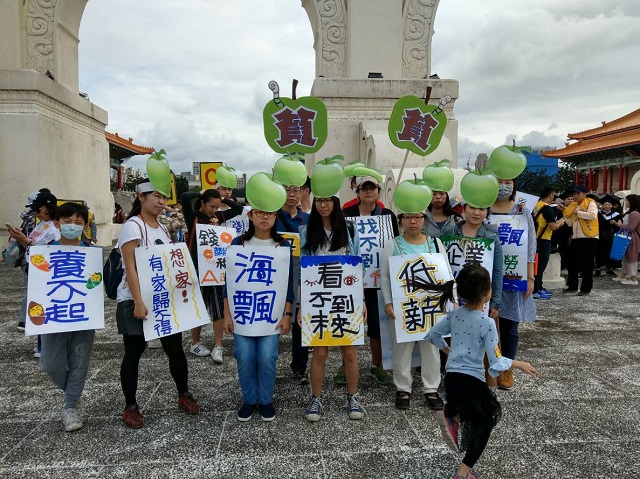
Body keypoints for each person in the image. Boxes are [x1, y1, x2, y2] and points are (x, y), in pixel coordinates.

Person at [424, 264, 537, 479]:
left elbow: (432, 335)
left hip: (452, 379)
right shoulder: (487, 323)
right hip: (472, 382)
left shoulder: (455, 315)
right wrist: (519, 363)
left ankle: (455, 415)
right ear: (486, 293)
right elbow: (495, 361)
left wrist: (449, 351)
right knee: (485, 421)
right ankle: (463, 471)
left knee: (481, 416)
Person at [116, 180, 200, 429]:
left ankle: (183, 393)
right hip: (135, 299)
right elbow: (130, 268)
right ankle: (130, 405)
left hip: (162, 299)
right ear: (141, 196)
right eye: (156, 196)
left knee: (175, 349)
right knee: (133, 353)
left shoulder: (162, 228)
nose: (161, 201)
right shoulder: (133, 227)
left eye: (164, 197)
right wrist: (138, 302)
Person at [222, 207, 294, 421]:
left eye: (269, 213)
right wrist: (227, 314)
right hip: (242, 312)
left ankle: (265, 400)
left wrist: (287, 313)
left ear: (275, 217)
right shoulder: (238, 243)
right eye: (259, 212)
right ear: (250, 216)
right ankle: (248, 400)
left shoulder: (283, 245)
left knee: (267, 356)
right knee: (244, 356)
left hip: (270, 314)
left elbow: (289, 283)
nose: (265, 216)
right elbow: (228, 283)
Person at [299, 196, 366, 421]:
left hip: (346, 298)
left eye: (328, 201)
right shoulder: (306, 231)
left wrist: (361, 300)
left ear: (336, 203)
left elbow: (357, 267)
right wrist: (301, 306)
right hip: (318, 299)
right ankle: (316, 399)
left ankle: (353, 397)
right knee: (319, 353)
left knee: (349, 351)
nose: (323, 205)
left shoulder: (349, 229)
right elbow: (303, 271)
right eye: (319, 201)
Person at [380, 211, 454, 410]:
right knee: (402, 348)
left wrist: (451, 300)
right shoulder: (392, 245)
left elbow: (446, 272)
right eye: (407, 217)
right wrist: (388, 301)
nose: (412, 221)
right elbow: (385, 276)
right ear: (401, 220)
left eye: (417, 217)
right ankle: (403, 388)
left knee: (431, 347)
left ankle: (431, 389)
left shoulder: (435, 243)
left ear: (424, 220)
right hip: (403, 306)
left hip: (431, 305)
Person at [39, 202, 95, 432]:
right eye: (67, 221)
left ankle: (70, 406)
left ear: (85, 226)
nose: (73, 226)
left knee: (79, 363)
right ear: (57, 223)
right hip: (54, 316)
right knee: (51, 364)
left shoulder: (90, 251)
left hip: (82, 316)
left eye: (78, 222)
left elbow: (95, 282)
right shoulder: (44, 251)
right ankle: (73, 393)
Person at [343, 176, 398, 386]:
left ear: (378, 191)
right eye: (364, 188)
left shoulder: (387, 215)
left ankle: (377, 364)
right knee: (348, 321)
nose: (368, 191)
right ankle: (345, 365)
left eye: (372, 188)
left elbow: (394, 244)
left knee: (376, 322)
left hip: (378, 278)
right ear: (357, 192)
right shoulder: (346, 214)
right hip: (350, 277)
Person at [181, 189, 243, 362]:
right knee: (198, 308)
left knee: (218, 308)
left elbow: (238, 209)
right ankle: (195, 343)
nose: (214, 210)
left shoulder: (217, 217)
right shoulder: (193, 217)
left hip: (215, 269)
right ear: (202, 203)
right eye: (211, 206)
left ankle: (218, 346)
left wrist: (223, 199)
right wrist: (200, 192)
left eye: (217, 206)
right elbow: (185, 197)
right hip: (197, 270)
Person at [489, 179, 536, 391]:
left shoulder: (522, 211)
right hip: (487, 275)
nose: (503, 186)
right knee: (486, 323)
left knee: (509, 325)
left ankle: (506, 368)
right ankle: (487, 366)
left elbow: (530, 246)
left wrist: (530, 278)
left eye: (507, 182)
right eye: (499, 182)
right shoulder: (483, 209)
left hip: (513, 276)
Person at [7, 191, 60, 357]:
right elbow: (33, 243)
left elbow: (49, 252)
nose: (35, 213)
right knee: (38, 305)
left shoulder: (54, 228)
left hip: (44, 271)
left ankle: (46, 347)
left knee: (45, 307)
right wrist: (20, 238)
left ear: (48, 208)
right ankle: (41, 344)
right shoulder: (41, 223)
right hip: (34, 268)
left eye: (38, 209)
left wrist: (25, 240)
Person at [274, 184, 310, 384]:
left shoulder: (308, 219)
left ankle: (300, 367)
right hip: (274, 277)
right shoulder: (272, 216)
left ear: (302, 193)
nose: (292, 194)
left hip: (301, 278)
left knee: (300, 323)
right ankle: (268, 365)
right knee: (272, 320)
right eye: (287, 190)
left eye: (296, 190)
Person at [563, 184, 599, 296]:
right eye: (574, 193)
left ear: (584, 194)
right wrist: (565, 213)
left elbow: (592, 215)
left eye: (578, 193)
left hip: (588, 237)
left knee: (586, 264)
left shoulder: (590, 202)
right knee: (572, 263)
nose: (575, 196)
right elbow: (570, 223)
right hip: (576, 237)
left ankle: (586, 288)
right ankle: (572, 286)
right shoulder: (573, 205)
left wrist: (578, 212)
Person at [531, 187, 565, 299]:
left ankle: (538, 286)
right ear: (550, 195)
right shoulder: (547, 209)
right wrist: (560, 223)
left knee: (536, 266)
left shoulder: (536, 206)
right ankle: (536, 290)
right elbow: (553, 227)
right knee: (540, 266)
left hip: (534, 239)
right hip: (543, 240)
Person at [614, 194, 640, 285]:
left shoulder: (634, 213)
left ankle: (633, 279)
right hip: (628, 237)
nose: (625, 202)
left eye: (627, 201)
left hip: (632, 238)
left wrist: (619, 225)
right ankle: (623, 276)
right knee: (626, 258)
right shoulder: (630, 212)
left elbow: (631, 227)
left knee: (631, 258)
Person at [596, 194, 621, 277]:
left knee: (609, 251)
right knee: (599, 251)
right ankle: (598, 268)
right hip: (600, 235)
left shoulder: (616, 214)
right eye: (605, 205)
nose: (607, 206)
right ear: (603, 206)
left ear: (611, 206)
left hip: (610, 235)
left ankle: (609, 268)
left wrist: (614, 224)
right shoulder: (598, 214)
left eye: (609, 205)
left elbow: (618, 226)